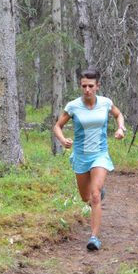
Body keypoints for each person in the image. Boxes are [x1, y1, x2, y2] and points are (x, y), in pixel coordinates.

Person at [52, 68, 126, 251]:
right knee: (86, 196)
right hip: (80, 156)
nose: (87, 90)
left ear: (97, 86)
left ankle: (94, 238)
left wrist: (120, 129)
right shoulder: (73, 106)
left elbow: (118, 115)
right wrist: (63, 140)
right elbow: (57, 126)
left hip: (100, 154)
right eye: (84, 86)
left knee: (94, 196)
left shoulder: (105, 103)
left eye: (91, 86)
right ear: (80, 86)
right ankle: (98, 192)